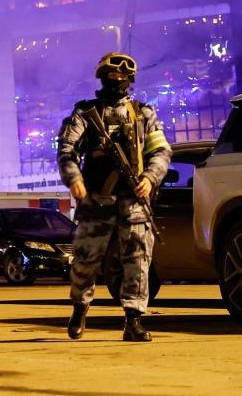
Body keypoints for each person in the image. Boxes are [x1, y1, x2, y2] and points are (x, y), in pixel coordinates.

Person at [57, 52, 172, 342]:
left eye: (122, 79)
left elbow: (161, 151)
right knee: (85, 260)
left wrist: (149, 178)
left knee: (137, 260)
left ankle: (133, 319)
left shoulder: (144, 114)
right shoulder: (85, 114)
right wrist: (74, 179)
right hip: (96, 198)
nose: (117, 83)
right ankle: (80, 308)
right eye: (111, 78)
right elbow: (67, 150)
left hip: (133, 200)